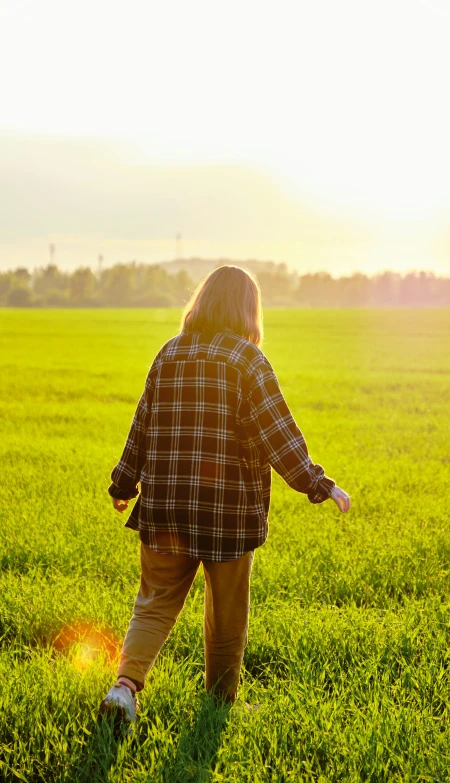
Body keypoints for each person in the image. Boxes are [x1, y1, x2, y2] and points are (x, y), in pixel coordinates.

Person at [98, 265, 350, 731]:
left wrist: (123, 484)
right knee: (227, 618)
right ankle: (218, 708)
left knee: (153, 603)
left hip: (164, 507)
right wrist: (320, 484)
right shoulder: (248, 361)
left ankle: (124, 688)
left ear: (203, 302)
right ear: (248, 309)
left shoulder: (168, 354)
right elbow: (281, 437)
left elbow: (142, 427)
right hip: (227, 514)